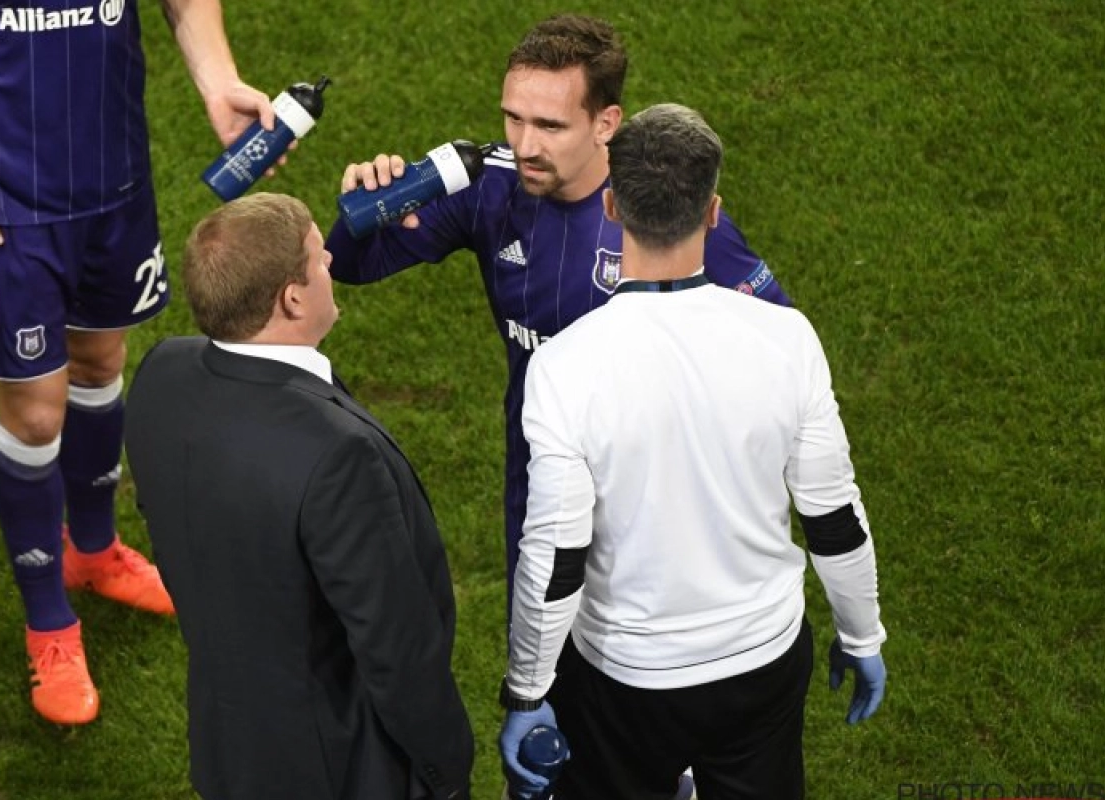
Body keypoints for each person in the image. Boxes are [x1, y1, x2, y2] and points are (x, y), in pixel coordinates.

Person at [325, 14, 793, 607]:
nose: (525, 145)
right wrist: (363, 209)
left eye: (549, 125)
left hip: (655, 488)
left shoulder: (665, 217)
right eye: (513, 118)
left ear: (606, 123)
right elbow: (347, 264)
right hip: (539, 478)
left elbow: (778, 343)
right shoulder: (487, 187)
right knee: (544, 655)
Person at [496, 104, 888, 800]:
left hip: (624, 681)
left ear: (612, 206)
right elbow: (833, 519)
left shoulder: (567, 366)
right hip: (762, 665)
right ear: (714, 212)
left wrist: (526, 693)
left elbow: (555, 556)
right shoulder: (788, 339)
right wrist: (862, 634)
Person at [0, 0, 279, 725]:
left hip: (113, 182)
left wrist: (218, 79)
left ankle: (93, 550)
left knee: (101, 359)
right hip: (10, 204)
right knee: (36, 413)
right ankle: (49, 625)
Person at [123, 193, 474, 800]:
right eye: (318, 256)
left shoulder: (163, 373)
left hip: (229, 746)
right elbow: (395, 650)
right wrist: (446, 774)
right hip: (341, 768)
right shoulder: (338, 456)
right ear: (291, 297)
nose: (332, 260)